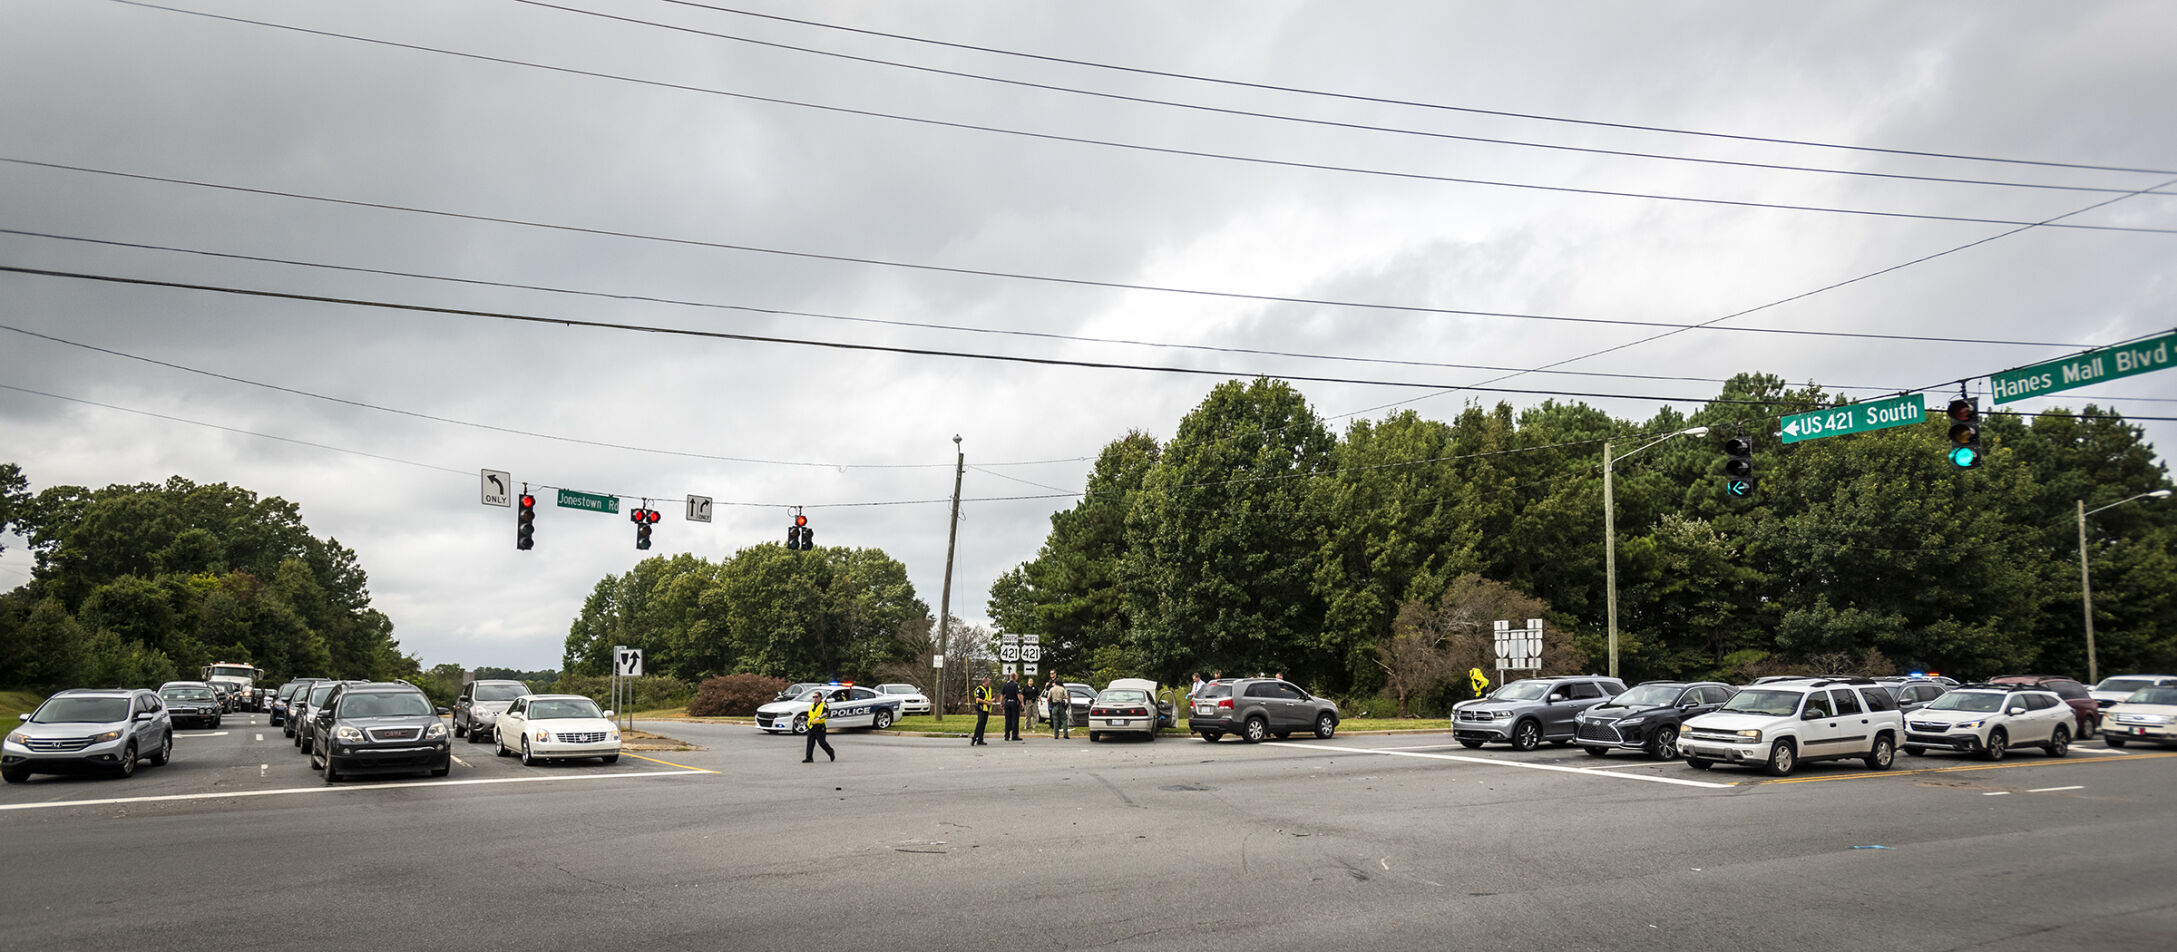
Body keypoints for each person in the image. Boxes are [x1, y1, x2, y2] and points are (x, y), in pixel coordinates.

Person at [802, 689, 835, 763]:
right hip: (811, 727)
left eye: (816, 697)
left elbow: (825, 713)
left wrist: (819, 718)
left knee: (821, 742)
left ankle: (831, 752)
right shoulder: (812, 706)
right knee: (810, 743)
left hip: (820, 727)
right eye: (813, 697)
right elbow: (810, 715)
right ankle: (809, 758)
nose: (814, 698)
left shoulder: (824, 705)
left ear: (820, 697)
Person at [971, 677, 994, 745]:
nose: (989, 682)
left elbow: (992, 697)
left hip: (987, 709)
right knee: (980, 722)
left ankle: (980, 739)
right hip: (981, 708)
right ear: (985, 681)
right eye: (988, 681)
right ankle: (974, 738)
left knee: (984, 723)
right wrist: (986, 702)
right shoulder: (979, 689)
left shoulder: (989, 689)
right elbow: (978, 699)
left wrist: (992, 700)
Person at [1047, 675, 1072, 739]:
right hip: (1060, 706)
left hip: (1054, 706)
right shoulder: (1062, 689)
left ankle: (1056, 735)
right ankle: (1065, 734)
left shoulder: (1052, 689)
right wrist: (1062, 697)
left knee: (1055, 720)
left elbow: (1048, 698)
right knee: (1064, 719)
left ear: (1055, 683)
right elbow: (1067, 697)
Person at [1000, 673, 1023, 741]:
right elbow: (1018, 694)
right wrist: (1022, 702)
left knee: (1007, 719)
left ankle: (1007, 736)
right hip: (1014, 703)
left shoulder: (1005, 684)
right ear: (1015, 677)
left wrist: (1001, 703)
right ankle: (1014, 736)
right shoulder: (1015, 685)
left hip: (1007, 703)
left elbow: (1002, 695)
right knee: (1015, 719)